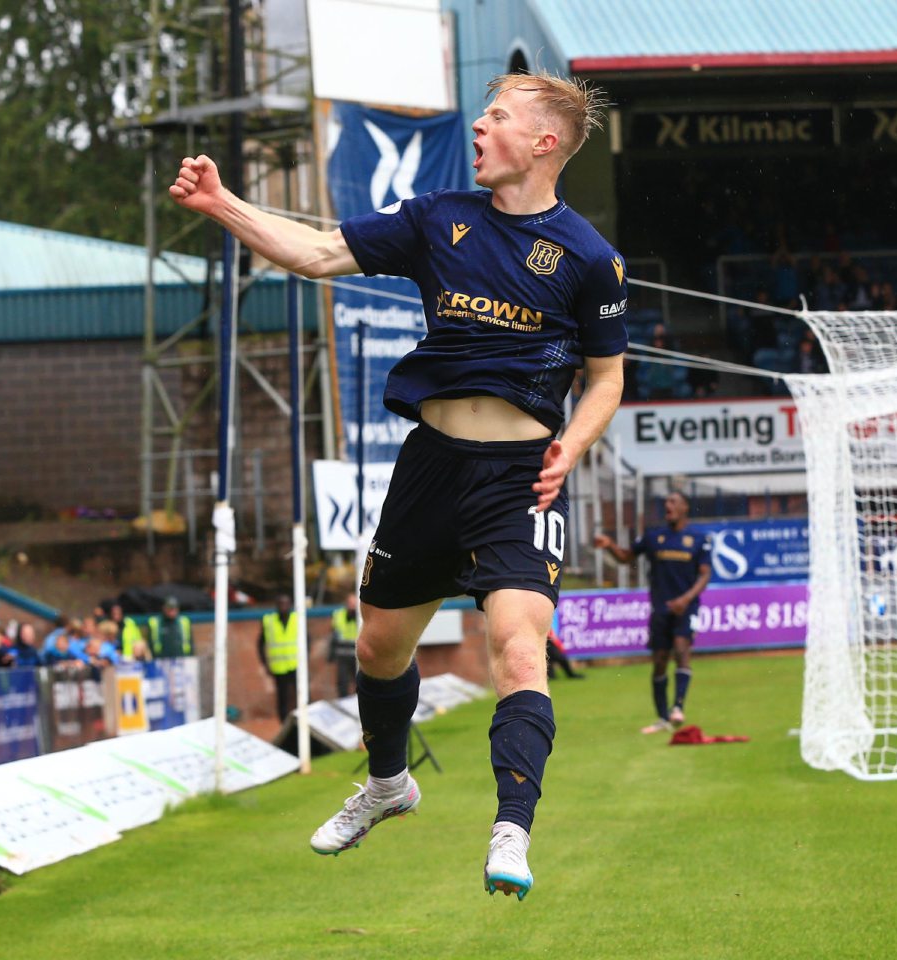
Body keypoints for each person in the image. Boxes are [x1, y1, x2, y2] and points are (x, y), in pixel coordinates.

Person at [171, 67, 627, 900]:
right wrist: (222, 204)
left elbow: (606, 378)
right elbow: (314, 252)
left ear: (545, 141)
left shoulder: (591, 259)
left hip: (519, 480)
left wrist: (576, 445)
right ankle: (387, 785)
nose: (480, 130)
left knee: (519, 650)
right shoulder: (437, 219)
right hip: (429, 468)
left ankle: (511, 831)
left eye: (496, 118)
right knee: (379, 648)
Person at [594, 491, 713, 734]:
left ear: (684, 507)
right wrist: (609, 546)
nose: (667, 506)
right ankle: (662, 718)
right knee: (659, 662)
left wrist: (686, 599)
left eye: (673, 502)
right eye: (666, 502)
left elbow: (705, 574)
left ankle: (678, 707)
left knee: (681, 649)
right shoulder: (653, 536)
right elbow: (627, 558)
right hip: (660, 608)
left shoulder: (699, 539)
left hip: (686, 606)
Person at [259, 594, 299, 722]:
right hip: (279, 667)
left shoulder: (297, 619)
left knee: (301, 694)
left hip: (296, 664)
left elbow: (307, 640)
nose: (283, 607)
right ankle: (283, 723)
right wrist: (265, 663)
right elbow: (261, 643)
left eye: (286, 603)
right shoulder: (269, 621)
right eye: (280, 603)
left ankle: (301, 721)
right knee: (282, 697)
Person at [329, 594, 360, 698]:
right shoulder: (338, 615)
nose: (352, 606)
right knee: (342, 682)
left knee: (359, 682)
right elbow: (334, 634)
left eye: (354, 604)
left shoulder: (360, 616)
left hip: (357, 656)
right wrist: (331, 652)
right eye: (350, 603)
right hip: (342, 655)